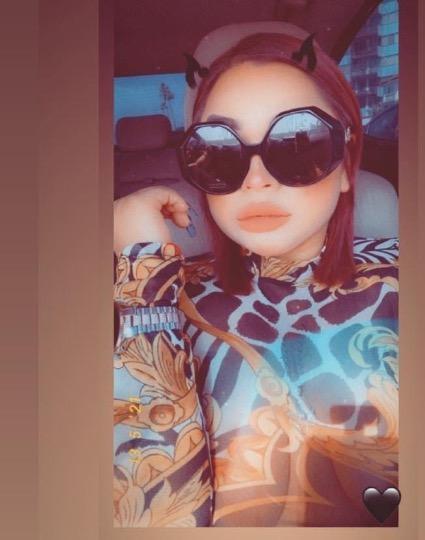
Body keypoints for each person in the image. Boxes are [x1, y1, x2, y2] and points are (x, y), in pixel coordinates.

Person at [112, 30, 399, 527]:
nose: (256, 178)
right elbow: (147, 519)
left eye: (299, 142)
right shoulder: (156, 294)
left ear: (346, 163)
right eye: (217, 149)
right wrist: (144, 286)